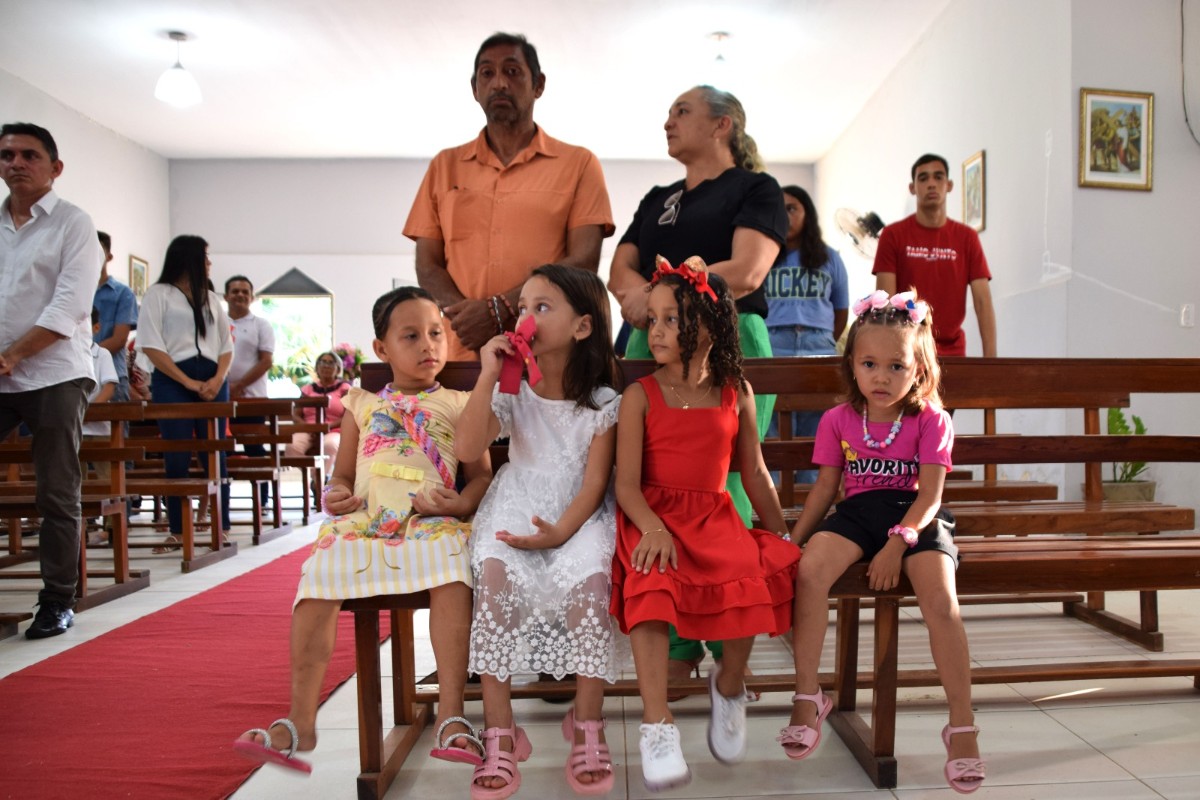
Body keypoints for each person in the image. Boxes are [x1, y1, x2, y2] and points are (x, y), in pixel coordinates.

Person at [235, 286, 492, 774]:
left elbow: (480, 475)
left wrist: (460, 502)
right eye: (411, 335)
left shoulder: (460, 403)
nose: (428, 346)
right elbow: (343, 479)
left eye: (436, 333)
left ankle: (453, 715)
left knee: (454, 572)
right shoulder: (361, 405)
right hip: (370, 522)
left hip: (430, 520)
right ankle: (300, 720)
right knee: (319, 572)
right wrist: (336, 494)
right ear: (382, 349)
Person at [606, 84, 787, 684]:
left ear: (722, 124)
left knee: (720, 481)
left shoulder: (753, 189)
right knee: (656, 479)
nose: (668, 120)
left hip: (730, 342)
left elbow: (749, 268)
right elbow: (620, 268)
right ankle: (673, 643)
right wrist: (647, 303)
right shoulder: (659, 198)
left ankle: (723, 628)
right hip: (646, 342)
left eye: (681, 110)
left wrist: (674, 293)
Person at [782, 290, 984, 794]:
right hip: (857, 515)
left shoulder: (931, 419)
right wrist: (793, 540)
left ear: (919, 368)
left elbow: (932, 495)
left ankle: (962, 724)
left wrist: (900, 542)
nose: (881, 376)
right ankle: (808, 696)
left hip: (917, 516)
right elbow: (826, 490)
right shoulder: (837, 421)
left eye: (896, 366)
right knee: (809, 571)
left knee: (941, 601)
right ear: (851, 364)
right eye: (869, 363)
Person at [611, 257, 799, 792]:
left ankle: (730, 684)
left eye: (671, 319)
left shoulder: (732, 390)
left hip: (714, 515)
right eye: (654, 318)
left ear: (710, 326)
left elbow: (755, 472)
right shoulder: (639, 396)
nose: (656, 330)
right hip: (652, 518)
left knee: (747, 581)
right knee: (649, 587)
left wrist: (778, 533)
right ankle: (656, 726)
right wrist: (650, 528)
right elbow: (626, 485)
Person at [455, 265, 623, 799]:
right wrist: (488, 375)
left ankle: (588, 724)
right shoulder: (512, 392)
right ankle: (502, 733)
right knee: (497, 585)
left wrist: (560, 535)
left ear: (582, 327)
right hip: (516, 504)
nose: (526, 319)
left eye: (542, 308)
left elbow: (594, 486)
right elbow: (464, 450)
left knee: (591, 587)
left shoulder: (602, 404)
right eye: (523, 308)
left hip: (578, 515)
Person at [405, 32, 615, 362]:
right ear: (475, 89)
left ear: (538, 85)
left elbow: (584, 261)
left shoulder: (578, 164)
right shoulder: (444, 166)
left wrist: (499, 310)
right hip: (461, 354)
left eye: (513, 71)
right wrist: (467, 319)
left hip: (547, 358)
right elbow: (428, 263)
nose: (500, 83)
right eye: (487, 73)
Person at [0, 122, 103, 639]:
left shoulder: (73, 224)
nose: (16, 163)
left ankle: (57, 599)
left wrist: (12, 355)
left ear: (54, 168)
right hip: (2, 369)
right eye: (7, 155)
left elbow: (68, 306)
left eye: (29, 155)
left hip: (55, 373)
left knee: (56, 491)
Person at [137, 235, 234, 551]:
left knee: (214, 452)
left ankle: (221, 525)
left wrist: (218, 378)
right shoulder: (158, 294)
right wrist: (187, 382)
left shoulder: (211, 298)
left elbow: (225, 345)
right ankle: (178, 529)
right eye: (205, 256)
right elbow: (151, 345)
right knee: (176, 454)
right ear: (189, 258)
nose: (209, 263)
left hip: (212, 377)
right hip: (172, 379)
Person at [763, 185, 849, 484]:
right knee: (769, 433)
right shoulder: (761, 255)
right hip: (772, 345)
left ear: (807, 214)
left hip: (819, 345)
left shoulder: (830, 258)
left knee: (818, 434)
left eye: (792, 208)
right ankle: (771, 510)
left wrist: (821, 339)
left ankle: (809, 512)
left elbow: (841, 312)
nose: (785, 215)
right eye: (780, 209)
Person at [873, 154, 997, 358]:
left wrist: (991, 359)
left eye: (938, 177)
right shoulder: (892, 235)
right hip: (906, 351)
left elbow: (983, 301)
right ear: (912, 188)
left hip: (953, 352)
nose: (931, 184)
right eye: (923, 178)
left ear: (949, 185)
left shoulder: (967, 238)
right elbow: (885, 304)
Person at [224, 275, 275, 505]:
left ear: (252, 297)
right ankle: (221, 500)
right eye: (235, 291)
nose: (240, 295)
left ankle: (262, 500)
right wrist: (223, 386)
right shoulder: (218, 323)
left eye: (245, 291)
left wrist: (239, 385)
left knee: (254, 447)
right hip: (221, 397)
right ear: (226, 296)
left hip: (252, 398)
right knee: (222, 447)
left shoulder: (261, 325)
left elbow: (265, 361)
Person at [283, 351, 351, 479]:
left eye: (331, 363)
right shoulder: (307, 389)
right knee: (292, 447)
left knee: (330, 446)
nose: (326, 365)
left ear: (338, 368)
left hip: (333, 429)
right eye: (323, 362)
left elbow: (348, 415)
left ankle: (318, 482)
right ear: (317, 367)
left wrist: (326, 427)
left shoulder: (344, 388)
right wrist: (311, 429)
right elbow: (296, 415)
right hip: (309, 430)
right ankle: (317, 477)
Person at [92, 231, 138, 402]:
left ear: (109, 256)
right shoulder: (74, 290)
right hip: (75, 374)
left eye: (98, 251)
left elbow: (119, 340)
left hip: (112, 373)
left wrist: (83, 355)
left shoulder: (123, 293)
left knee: (115, 428)